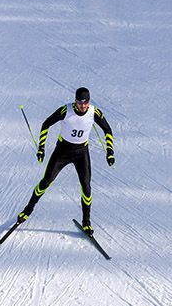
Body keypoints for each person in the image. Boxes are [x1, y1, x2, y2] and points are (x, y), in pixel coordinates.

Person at [17, 87, 115, 236]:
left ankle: (86, 222)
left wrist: (110, 152)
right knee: (46, 182)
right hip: (62, 151)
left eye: (85, 103)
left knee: (86, 187)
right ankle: (27, 210)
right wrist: (41, 148)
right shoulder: (66, 110)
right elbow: (46, 124)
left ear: (89, 102)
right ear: (75, 101)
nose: (82, 106)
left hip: (81, 152)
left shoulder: (94, 112)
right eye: (79, 103)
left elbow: (107, 130)